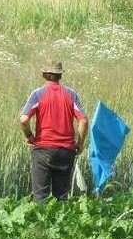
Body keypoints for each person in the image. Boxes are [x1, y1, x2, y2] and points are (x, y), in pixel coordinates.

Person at [19, 59, 89, 202]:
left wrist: (30, 136)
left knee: (40, 197)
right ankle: (61, 223)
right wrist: (80, 143)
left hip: (43, 150)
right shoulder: (71, 94)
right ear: (60, 75)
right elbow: (83, 120)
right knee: (61, 197)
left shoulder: (38, 94)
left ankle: (41, 224)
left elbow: (24, 119)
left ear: (44, 74)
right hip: (66, 151)